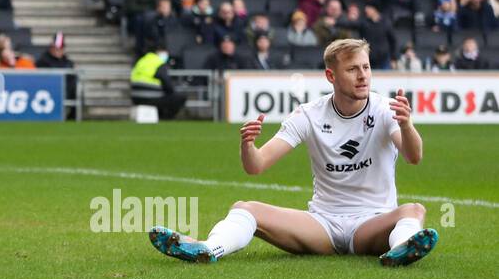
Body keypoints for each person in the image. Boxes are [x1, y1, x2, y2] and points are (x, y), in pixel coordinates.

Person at [149, 38, 436, 267]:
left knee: (413, 210)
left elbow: (414, 156)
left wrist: (407, 125)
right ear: (330, 75)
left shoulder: (386, 109)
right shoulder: (309, 114)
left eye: (366, 67)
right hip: (322, 226)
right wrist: (247, 146)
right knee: (244, 208)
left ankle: (401, 249)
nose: (363, 76)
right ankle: (207, 249)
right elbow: (257, 166)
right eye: (353, 69)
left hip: (372, 225)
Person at [130, 43, 186, 120]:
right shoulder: (158, 62)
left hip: (135, 98)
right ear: (158, 51)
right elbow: (168, 86)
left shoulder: (140, 61)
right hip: (151, 98)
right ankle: (165, 119)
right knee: (179, 97)